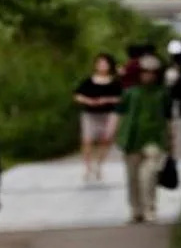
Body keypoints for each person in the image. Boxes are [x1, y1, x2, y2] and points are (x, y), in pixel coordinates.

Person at [116, 50, 171, 223]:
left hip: (154, 138)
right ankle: (136, 209)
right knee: (132, 177)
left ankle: (149, 209)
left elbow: (169, 118)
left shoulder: (163, 93)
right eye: (145, 72)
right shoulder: (130, 93)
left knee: (148, 175)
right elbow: (119, 114)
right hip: (132, 139)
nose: (148, 76)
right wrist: (115, 135)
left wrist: (170, 140)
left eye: (152, 72)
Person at [73, 52, 123, 183]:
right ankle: (87, 167)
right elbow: (77, 95)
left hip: (109, 113)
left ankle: (99, 164)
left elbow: (122, 98)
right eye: (100, 63)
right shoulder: (88, 81)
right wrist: (88, 101)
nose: (102, 66)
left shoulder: (116, 83)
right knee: (87, 140)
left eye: (105, 63)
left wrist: (108, 99)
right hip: (90, 113)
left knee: (106, 139)